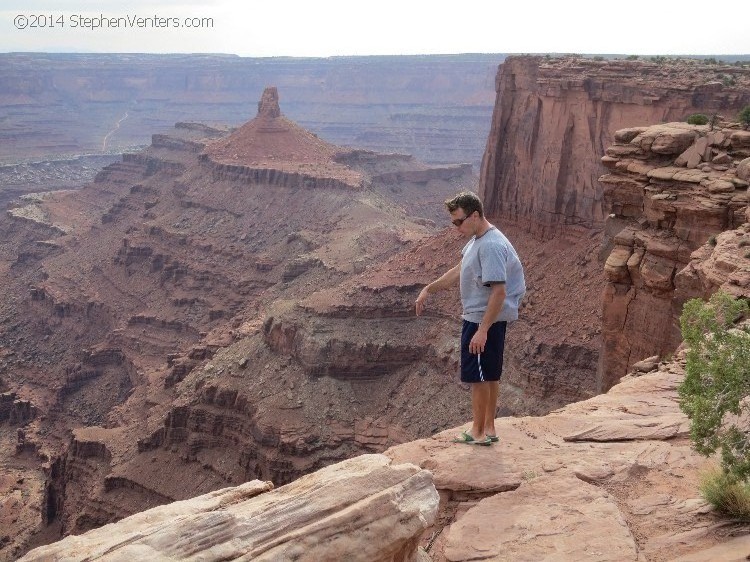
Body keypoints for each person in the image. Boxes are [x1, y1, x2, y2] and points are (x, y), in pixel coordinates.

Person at [415, 191, 525, 445]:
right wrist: (428, 289)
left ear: (475, 215)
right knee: (490, 373)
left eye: (459, 221)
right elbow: (458, 271)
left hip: (482, 319)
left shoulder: (491, 246)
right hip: (488, 318)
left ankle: (477, 432)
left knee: (478, 377)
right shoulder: (478, 239)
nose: (456, 228)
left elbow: (499, 292)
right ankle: (489, 428)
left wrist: (482, 329)